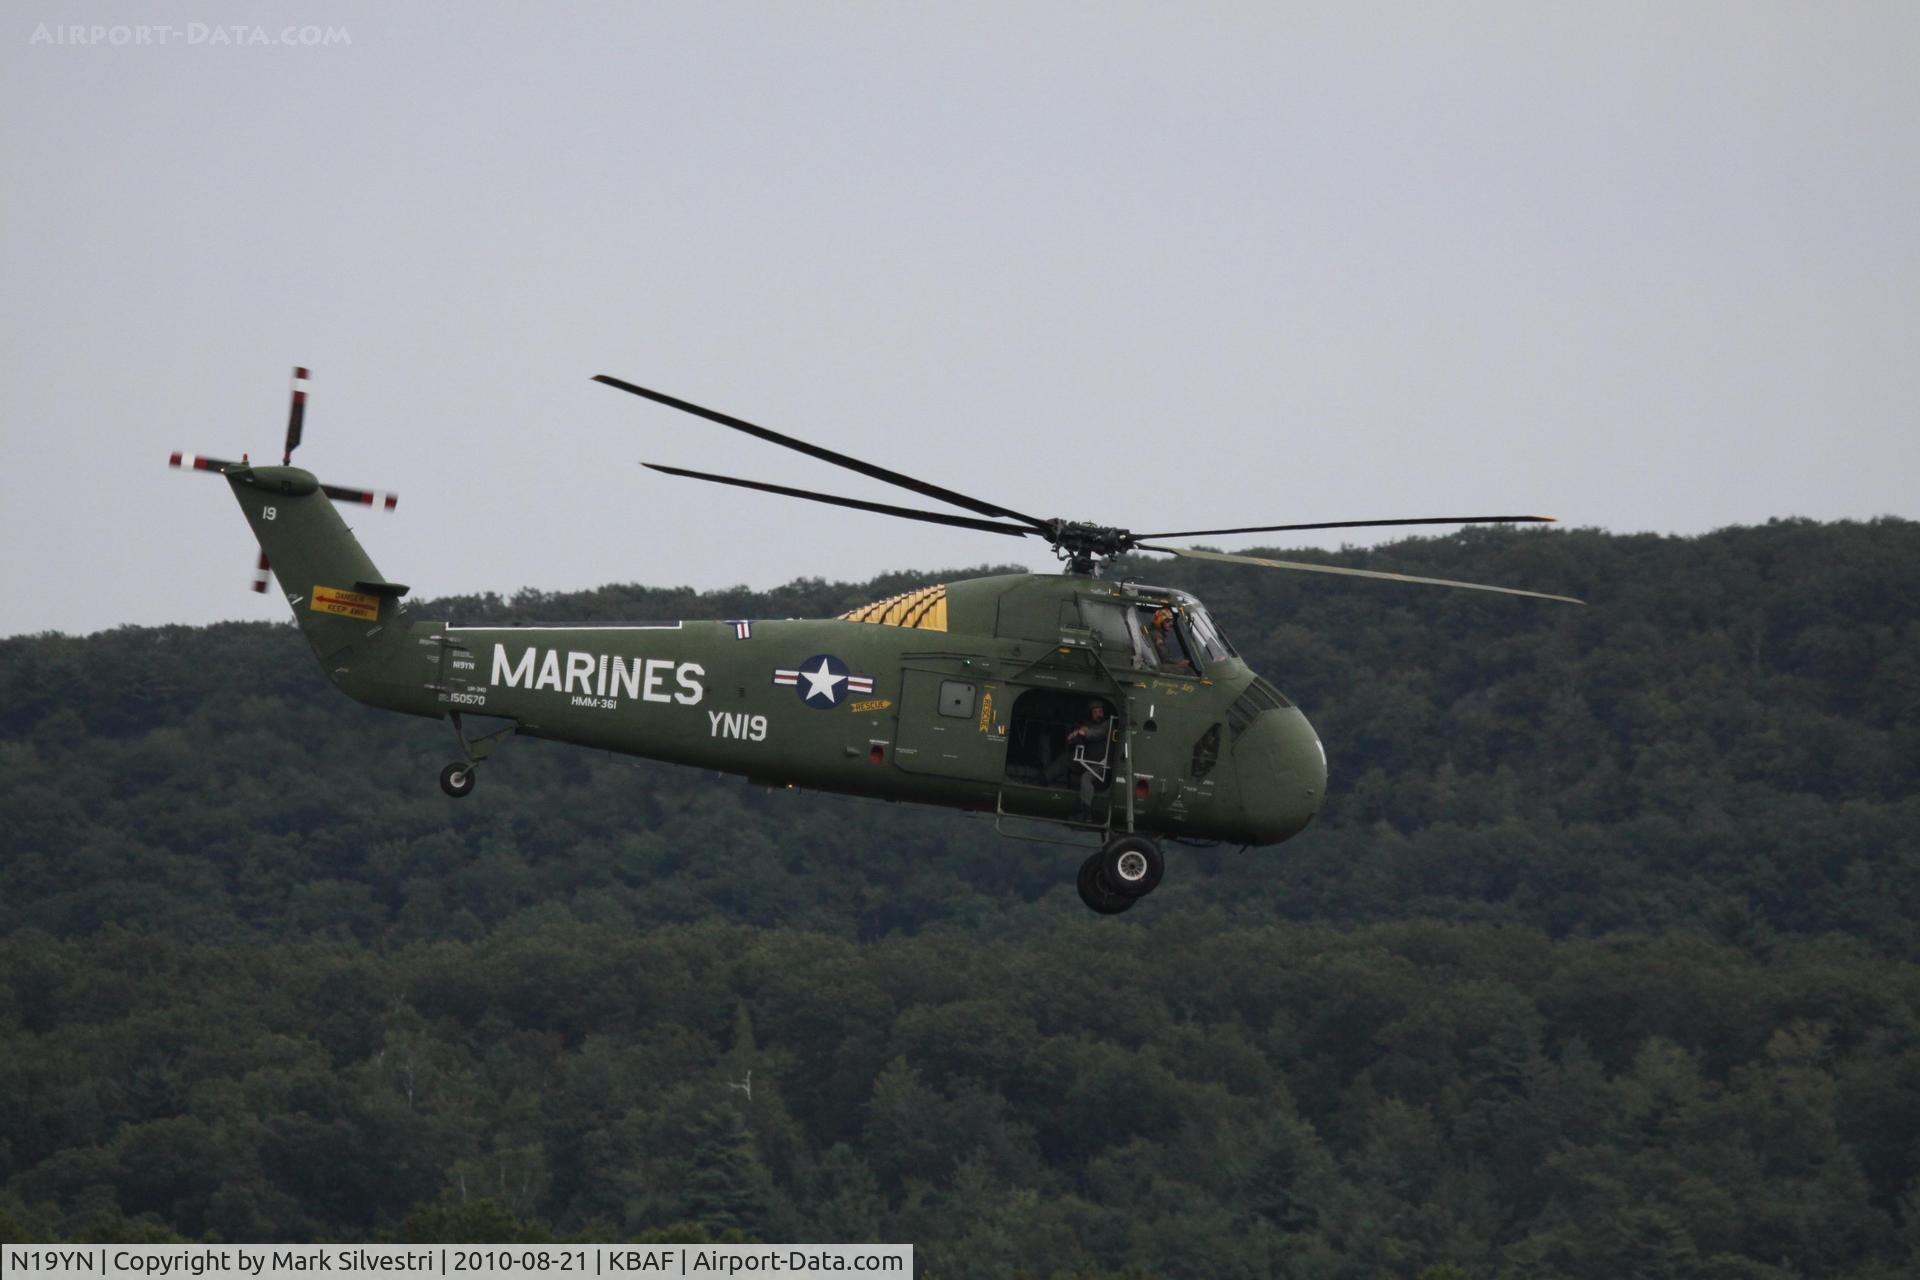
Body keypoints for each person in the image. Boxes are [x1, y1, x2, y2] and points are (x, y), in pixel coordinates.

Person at [1046, 699, 1113, 820]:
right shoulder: (1087, 724)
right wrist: (1074, 736)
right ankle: (1043, 779)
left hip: (1100, 764)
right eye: (1095, 712)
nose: (1098, 714)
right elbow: (1080, 735)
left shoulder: (1108, 724)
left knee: (1086, 778)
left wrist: (1082, 732)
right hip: (1087, 760)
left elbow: (1097, 734)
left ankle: (1085, 811)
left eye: (1100, 711)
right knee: (1065, 759)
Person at [1150, 607, 1195, 673]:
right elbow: (1164, 659)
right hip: (1157, 667)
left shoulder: (1156, 634)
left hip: (1157, 665)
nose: (1171, 624)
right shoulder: (1157, 636)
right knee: (1187, 670)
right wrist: (1179, 663)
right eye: (1167, 621)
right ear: (1159, 621)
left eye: (1171, 621)